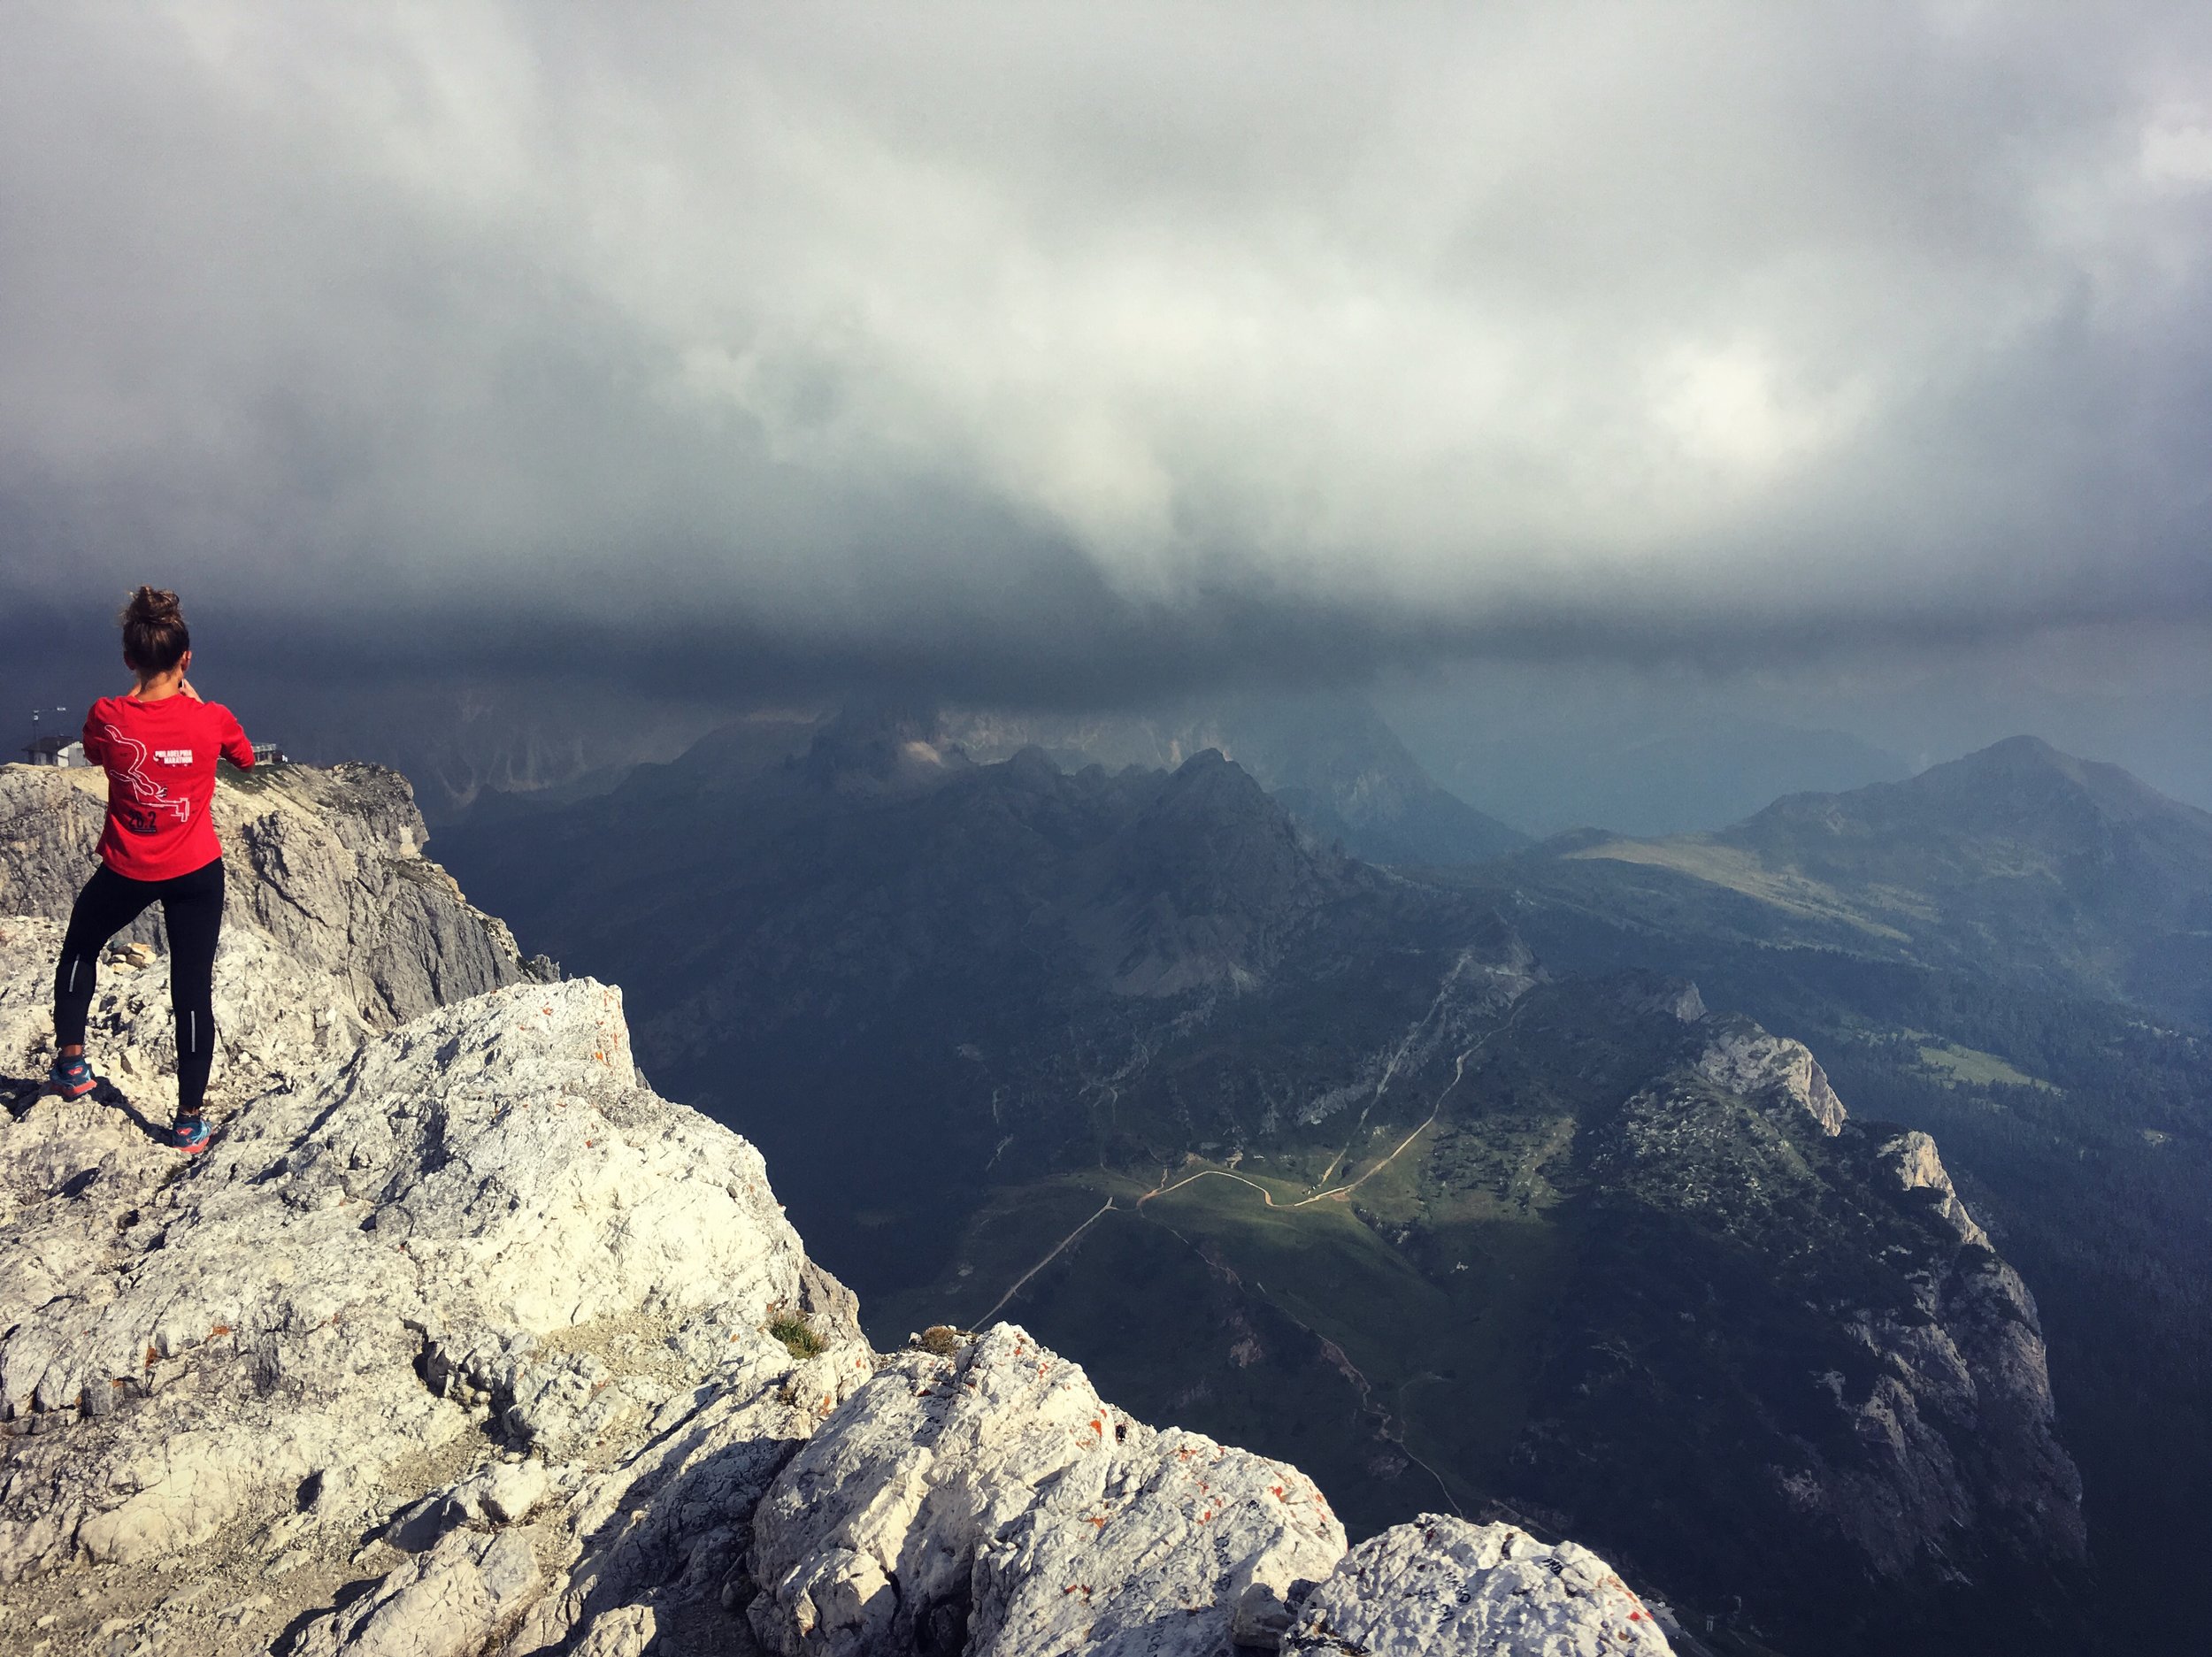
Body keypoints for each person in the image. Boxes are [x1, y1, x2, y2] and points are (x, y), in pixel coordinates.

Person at [48, 587, 255, 1152]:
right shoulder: (212, 719)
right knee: (191, 990)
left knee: (82, 945)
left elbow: (94, 753)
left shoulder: (108, 716)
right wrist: (195, 705)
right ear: (186, 659)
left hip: (127, 867)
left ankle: (70, 1065)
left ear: (128, 658)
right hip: (195, 871)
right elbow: (246, 759)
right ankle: (188, 1121)